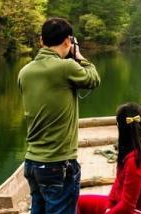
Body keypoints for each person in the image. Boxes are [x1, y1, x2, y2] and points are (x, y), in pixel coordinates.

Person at [18, 17, 101, 214]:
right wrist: (79, 56)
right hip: (58, 164)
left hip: (32, 163)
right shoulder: (66, 68)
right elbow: (93, 79)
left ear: (41, 40)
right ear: (67, 41)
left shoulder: (24, 72)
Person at [77, 103, 141, 214]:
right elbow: (118, 182)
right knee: (78, 202)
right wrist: (109, 205)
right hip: (129, 206)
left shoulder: (136, 161)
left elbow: (127, 207)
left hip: (138, 211)